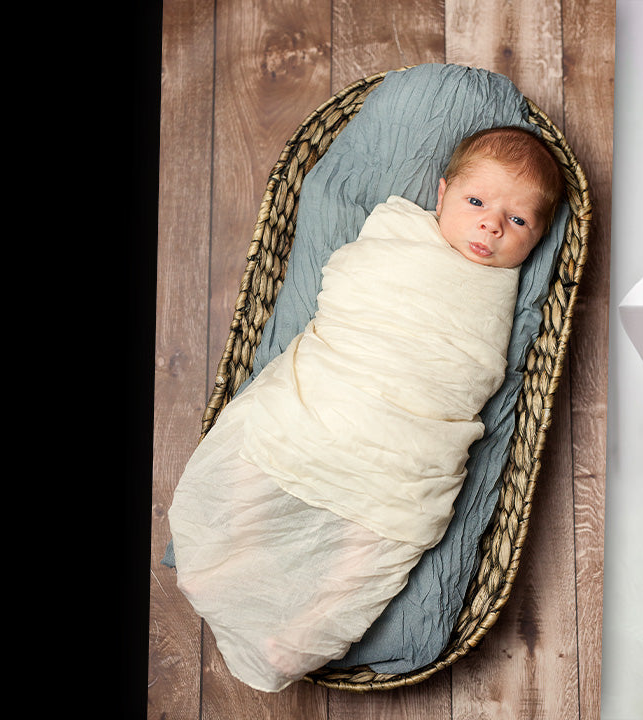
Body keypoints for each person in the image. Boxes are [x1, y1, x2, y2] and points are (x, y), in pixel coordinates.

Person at [170, 126, 564, 692]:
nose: (491, 225)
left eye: (518, 220)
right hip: (336, 391)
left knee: (380, 525)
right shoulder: (397, 232)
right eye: (476, 202)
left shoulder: (503, 289)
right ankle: (235, 547)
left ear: (539, 236)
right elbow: (348, 286)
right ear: (442, 193)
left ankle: (308, 625)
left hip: (413, 434)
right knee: (262, 451)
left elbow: (474, 369)